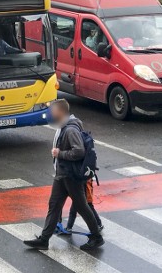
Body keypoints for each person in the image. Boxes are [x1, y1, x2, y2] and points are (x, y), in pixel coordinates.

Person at [23, 100, 104, 251]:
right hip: (62, 175)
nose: (50, 113)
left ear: (60, 112)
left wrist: (60, 153)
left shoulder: (70, 130)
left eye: (53, 110)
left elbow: (79, 151)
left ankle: (97, 236)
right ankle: (44, 239)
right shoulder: (63, 127)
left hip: (71, 176)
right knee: (54, 206)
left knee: (82, 206)